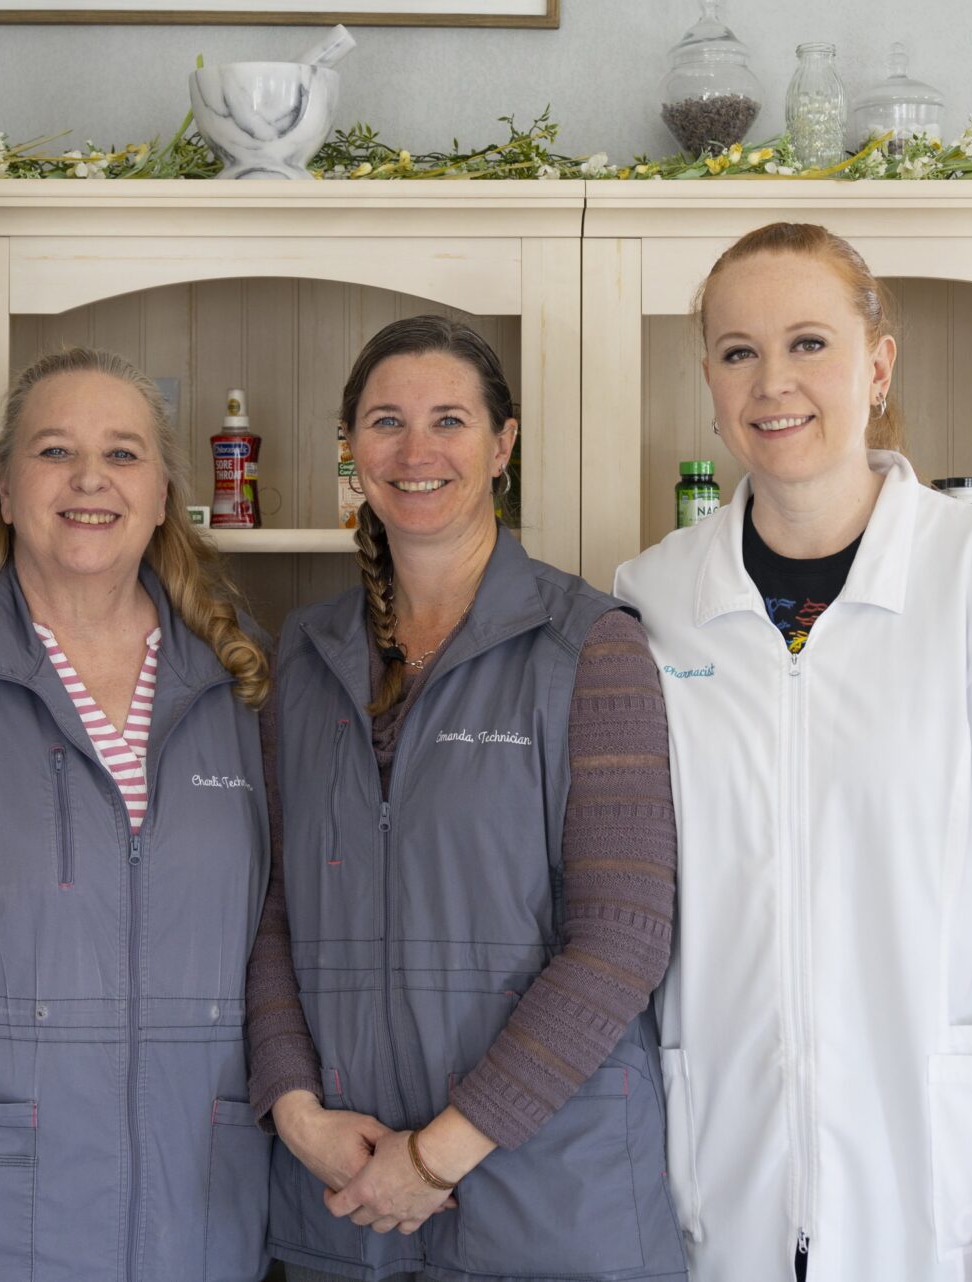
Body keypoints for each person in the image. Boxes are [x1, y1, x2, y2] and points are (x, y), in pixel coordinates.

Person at [614, 222, 972, 1282]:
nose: (774, 383)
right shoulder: (656, 598)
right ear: (708, 377)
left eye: (810, 343)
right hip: (730, 1151)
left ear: (878, 365)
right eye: (737, 350)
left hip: (947, 1160)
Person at [246, 315, 687, 1282]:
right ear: (351, 452)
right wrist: (292, 1106)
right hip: (345, 1206)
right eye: (385, 422)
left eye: (449, 419)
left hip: (552, 1207)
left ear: (503, 446)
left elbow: (622, 938)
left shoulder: (590, 649)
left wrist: (436, 1154)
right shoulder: (304, 658)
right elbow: (268, 906)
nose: (416, 452)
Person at [0, 347, 274, 1282]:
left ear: (165, 492)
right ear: (7, 491)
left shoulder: (240, 674)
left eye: (125, 454)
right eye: (55, 451)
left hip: (199, 1197)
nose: (91, 479)